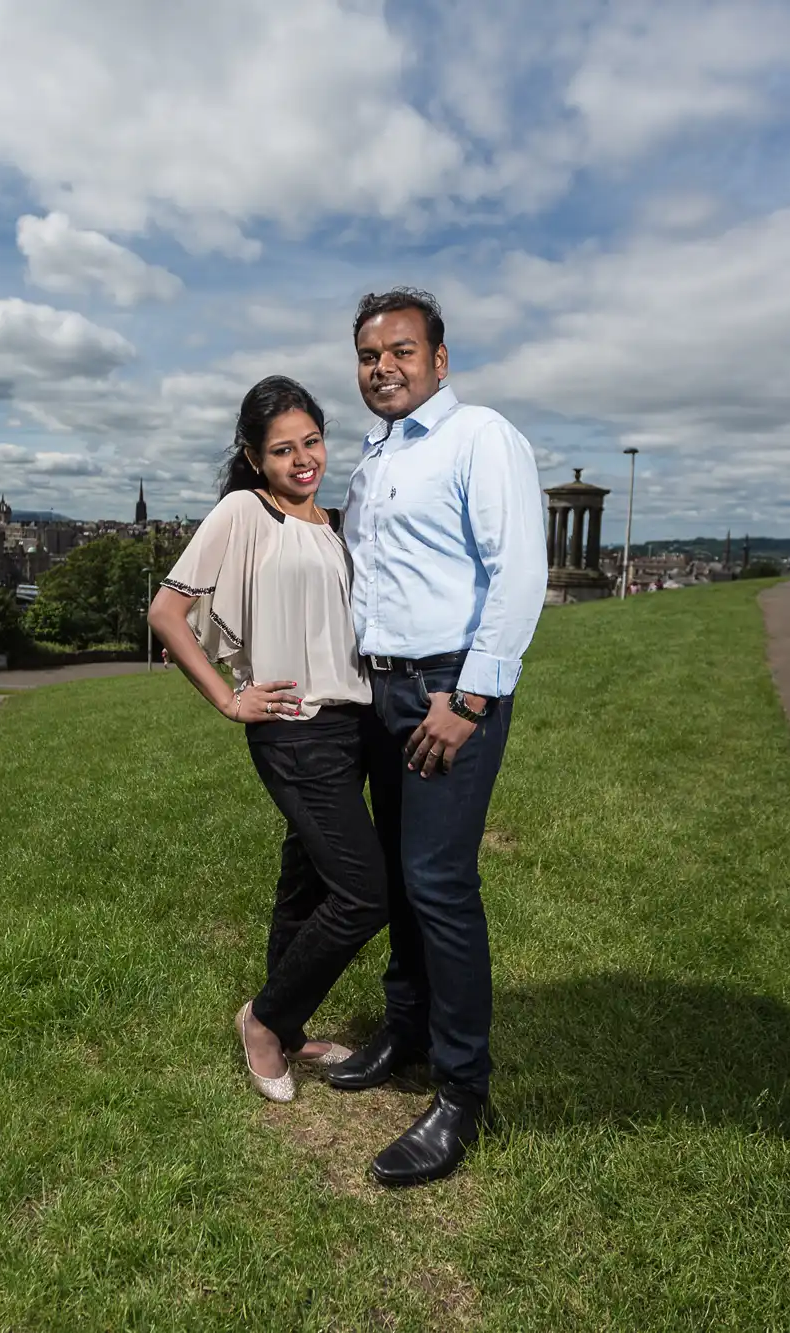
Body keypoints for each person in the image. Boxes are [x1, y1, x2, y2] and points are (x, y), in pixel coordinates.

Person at [325, 288, 546, 1188]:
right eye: (370, 356)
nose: (384, 367)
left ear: (440, 359)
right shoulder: (374, 461)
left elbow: (518, 571)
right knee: (397, 878)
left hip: (445, 690)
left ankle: (463, 1092)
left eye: (402, 351)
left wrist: (471, 696)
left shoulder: (478, 437)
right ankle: (406, 1027)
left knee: (439, 884)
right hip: (379, 689)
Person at [147, 376, 384, 1107]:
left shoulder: (336, 521)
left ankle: (292, 1024)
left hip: (355, 726)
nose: (302, 458)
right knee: (365, 892)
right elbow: (166, 612)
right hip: (292, 727)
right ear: (254, 457)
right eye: (282, 449)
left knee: (306, 881)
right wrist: (228, 697)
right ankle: (266, 1019)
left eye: (311, 441)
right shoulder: (244, 512)